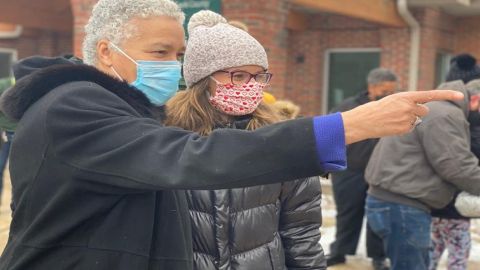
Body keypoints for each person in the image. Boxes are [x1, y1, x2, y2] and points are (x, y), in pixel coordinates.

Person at [0, 0, 462, 269]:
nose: (170, 66)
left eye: (177, 53)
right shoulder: (75, 106)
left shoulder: (123, 108)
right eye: (159, 51)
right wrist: (352, 124)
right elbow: (190, 157)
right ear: (106, 50)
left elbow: (297, 229)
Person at [165, 11, 324, 269]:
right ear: (203, 80)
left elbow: (301, 233)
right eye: (238, 76)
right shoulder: (167, 135)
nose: (251, 85)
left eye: (259, 76)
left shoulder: (281, 139)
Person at [365, 78, 480, 270]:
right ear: (476, 100)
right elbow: (457, 166)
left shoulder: (434, 108)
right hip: (402, 207)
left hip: (391, 202)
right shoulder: (446, 114)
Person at [327, 68, 397, 269]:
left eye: (393, 91)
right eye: (385, 90)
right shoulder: (348, 107)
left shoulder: (394, 109)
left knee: (378, 215)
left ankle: (378, 257)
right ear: (372, 87)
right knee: (347, 213)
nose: (390, 95)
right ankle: (339, 252)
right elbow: (331, 136)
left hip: (383, 173)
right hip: (350, 172)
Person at [429, 53, 480, 270]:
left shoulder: (437, 109)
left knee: (432, 249)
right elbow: (460, 164)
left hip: (435, 201)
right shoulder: (458, 120)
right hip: (455, 201)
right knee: (457, 253)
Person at [0, 77, 16, 205]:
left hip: (20, 134)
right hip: (4, 134)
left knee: (17, 172)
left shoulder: (27, 87)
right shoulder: (3, 85)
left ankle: (15, 203)